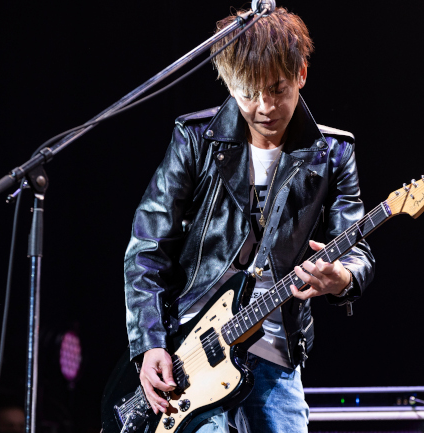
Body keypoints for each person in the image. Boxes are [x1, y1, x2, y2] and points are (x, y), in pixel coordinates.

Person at [123, 7, 375, 432]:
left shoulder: (333, 154)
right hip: (191, 354)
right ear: (228, 84)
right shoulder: (195, 140)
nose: (265, 107)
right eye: (248, 93)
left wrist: (342, 278)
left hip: (276, 357)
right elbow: (147, 247)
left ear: (301, 74)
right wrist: (149, 343)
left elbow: (356, 250)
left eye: (277, 89)